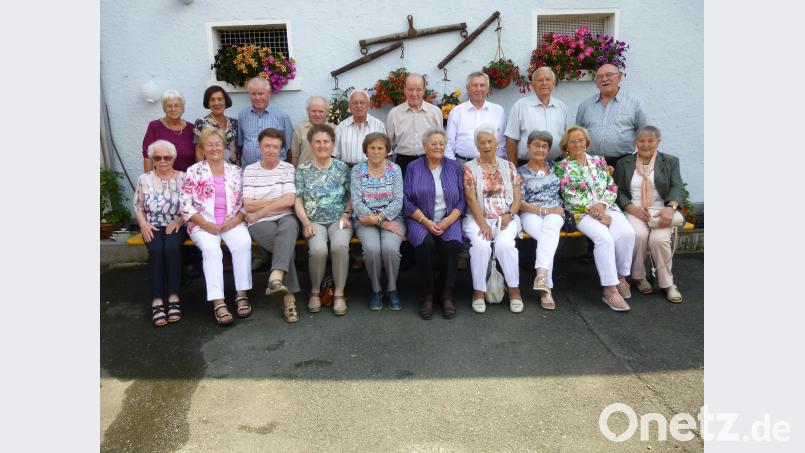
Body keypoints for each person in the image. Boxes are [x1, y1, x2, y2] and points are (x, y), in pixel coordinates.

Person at [555, 125, 636, 312]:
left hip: (607, 206)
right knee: (604, 239)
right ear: (566, 145)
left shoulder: (599, 161)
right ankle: (609, 290)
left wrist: (603, 206)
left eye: (581, 140)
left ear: (587, 142)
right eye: (573, 141)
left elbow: (611, 187)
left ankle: (621, 276)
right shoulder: (561, 168)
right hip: (581, 212)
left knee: (627, 234)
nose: (577, 144)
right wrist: (596, 212)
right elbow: (568, 196)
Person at [180, 128, 253, 325]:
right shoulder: (193, 171)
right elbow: (185, 204)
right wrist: (206, 224)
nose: (214, 148)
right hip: (202, 223)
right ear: (203, 148)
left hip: (232, 221)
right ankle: (218, 301)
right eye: (209, 145)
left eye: (217, 144)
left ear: (224, 146)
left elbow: (246, 201)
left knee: (243, 243)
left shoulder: (236, 171)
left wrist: (236, 220)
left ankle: (241, 293)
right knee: (212, 251)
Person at [614, 125, 686, 303]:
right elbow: (617, 190)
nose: (646, 145)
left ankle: (667, 284)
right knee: (638, 235)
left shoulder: (670, 161)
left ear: (658, 142)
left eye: (650, 141)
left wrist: (671, 207)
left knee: (658, 240)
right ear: (635, 142)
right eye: (641, 141)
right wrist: (632, 209)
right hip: (634, 209)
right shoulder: (624, 163)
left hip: (661, 210)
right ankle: (639, 277)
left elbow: (677, 186)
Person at [403, 127, 465, 319]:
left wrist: (448, 220)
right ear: (424, 146)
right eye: (433, 143)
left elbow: (462, 200)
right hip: (420, 218)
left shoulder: (454, 167)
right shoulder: (413, 167)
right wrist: (425, 221)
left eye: (441, 143)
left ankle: (446, 292)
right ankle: (428, 293)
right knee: (425, 244)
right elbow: (406, 200)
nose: (438, 147)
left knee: (452, 244)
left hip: (449, 217)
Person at [463, 124, 523, 314]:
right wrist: (482, 223)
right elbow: (470, 198)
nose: (487, 145)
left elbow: (517, 197)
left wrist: (509, 215)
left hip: (506, 217)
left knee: (505, 245)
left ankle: (514, 291)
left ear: (497, 143)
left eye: (490, 141)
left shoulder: (509, 166)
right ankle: (478, 292)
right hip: (478, 217)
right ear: (477, 145)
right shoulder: (469, 167)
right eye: (482, 142)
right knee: (481, 246)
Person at [242, 128, 301, 323]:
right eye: (267, 146)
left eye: (275, 147)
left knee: (289, 228)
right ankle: (288, 298)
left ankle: (276, 277)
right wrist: (275, 202)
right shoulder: (250, 170)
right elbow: (248, 204)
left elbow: (289, 200)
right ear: (259, 147)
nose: (271, 150)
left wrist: (261, 209)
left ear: (281, 149)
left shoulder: (287, 168)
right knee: (285, 247)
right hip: (260, 223)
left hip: (284, 218)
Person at [295, 124, 353, 316]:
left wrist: (346, 214)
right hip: (313, 221)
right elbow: (298, 199)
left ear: (333, 145)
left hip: (339, 219)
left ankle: (339, 292)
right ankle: (315, 291)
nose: (322, 145)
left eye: (326, 141)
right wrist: (306, 223)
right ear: (311, 145)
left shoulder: (342, 167)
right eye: (317, 142)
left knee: (339, 247)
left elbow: (352, 195)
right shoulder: (303, 169)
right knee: (318, 250)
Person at [350, 133, 405, 310]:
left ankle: (392, 289)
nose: (375, 151)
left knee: (390, 249)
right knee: (372, 249)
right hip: (364, 219)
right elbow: (357, 202)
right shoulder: (357, 170)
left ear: (387, 151)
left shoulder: (395, 169)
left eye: (380, 148)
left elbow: (398, 200)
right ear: (366, 149)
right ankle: (376, 289)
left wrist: (380, 218)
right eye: (372, 148)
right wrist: (379, 222)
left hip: (393, 218)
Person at [134, 140, 186, 326]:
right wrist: (143, 225)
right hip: (152, 225)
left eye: (167, 157)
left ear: (173, 158)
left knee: (171, 249)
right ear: (152, 159)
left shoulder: (184, 178)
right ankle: (157, 299)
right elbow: (138, 206)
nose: (163, 161)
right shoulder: (144, 179)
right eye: (157, 157)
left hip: (176, 223)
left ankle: (173, 296)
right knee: (156, 250)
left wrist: (179, 220)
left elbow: (192, 205)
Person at [517, 131, 565, 310]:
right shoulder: (520, 172)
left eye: (545, 146)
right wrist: (543, 210)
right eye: (537, 145)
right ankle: (544, 283)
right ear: (529, 147)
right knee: (548, 239)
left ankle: (543, 283)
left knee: (550, 229)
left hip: (555, 212)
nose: (540, 149)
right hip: (530, 213)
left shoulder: (555, 167)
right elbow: (519, 202)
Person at [576, 64, 648, 167]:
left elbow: (643, 135)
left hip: (624, 163)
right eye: (600, 77)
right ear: (596, 83)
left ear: (619, 77)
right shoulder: (585, 106)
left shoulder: (635, 103)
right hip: (591, 164)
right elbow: (577, 135)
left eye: (609, 75)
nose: (604, 79)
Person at [505, 67, 568, 165]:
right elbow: (511, 140)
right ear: (533, 84)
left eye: (548, 80)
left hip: (557, 165)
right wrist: (513, 169)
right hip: (526, 166)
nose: (544, 83)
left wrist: (566, 164)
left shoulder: (561, 107)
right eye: (540, 80)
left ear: (554, 83)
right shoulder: (520, 106)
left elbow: (565, 139)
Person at [386, 73, 442, 176]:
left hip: (429, 161)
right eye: (410, 89)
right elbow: (390, 143)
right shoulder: (394, 113)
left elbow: (440, 139)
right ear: (405, 90)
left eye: (418, 89)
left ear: (424, 90)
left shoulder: (435, 112)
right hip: (403, 163)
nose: (414, 94)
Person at [444, 72, 506, 163]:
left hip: (491, 164)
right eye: (475, 85)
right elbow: (449, 143)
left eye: (482, 85)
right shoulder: (457, 112)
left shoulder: (498, 111)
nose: (479, 89)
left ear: (488, 88)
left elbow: (502, 143)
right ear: (467, 88)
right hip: (462, 163)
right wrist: (452, 165)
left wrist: (498, 163)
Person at [237, 77, 294, 167]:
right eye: (253, 94)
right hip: (248, 169)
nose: (257, 97)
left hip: (275, 169)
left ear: (269, 93)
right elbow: (240, 143)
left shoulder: (282, 116)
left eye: (261, 93)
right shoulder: (242, 115)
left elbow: (289, 147)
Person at [142, 90, 195, 172]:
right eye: (169, 106)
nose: (173, 109)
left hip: (189, 177)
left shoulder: (192, 128)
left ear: (183, 109)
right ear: (164, 109)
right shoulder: (155, 126)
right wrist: (148, 178)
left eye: (177, 105)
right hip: (163, 177)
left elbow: (199, 153)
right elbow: (147, 156)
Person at [334, 90, 386, 166]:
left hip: (371, 170)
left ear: (368, 104)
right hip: (346, 170)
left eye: (362, 102)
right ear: (349, 106)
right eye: (355, 103)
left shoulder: (378, 126)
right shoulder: (341, 127)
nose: (358, 106)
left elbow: (386, 153)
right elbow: (335, 155)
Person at [192, 85, 239, 166]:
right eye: (212, 100)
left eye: (220, 99)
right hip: (211, 170)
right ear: (208, 103)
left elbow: (238, 148)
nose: (216, 103)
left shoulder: (234, 123)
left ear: (225, 101)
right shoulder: (201, 123)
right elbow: (199, 152)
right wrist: (202, 171)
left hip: (233, 169)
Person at [290, 96, 336, 167]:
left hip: (328, 172)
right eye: (313, 111)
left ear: (326, 113)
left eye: (321, 111)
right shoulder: (299, 128)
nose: (317, 114)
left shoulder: (334, 129)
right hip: (304, 171)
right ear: (308, 112)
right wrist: (295, 172)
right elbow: (295, 156)